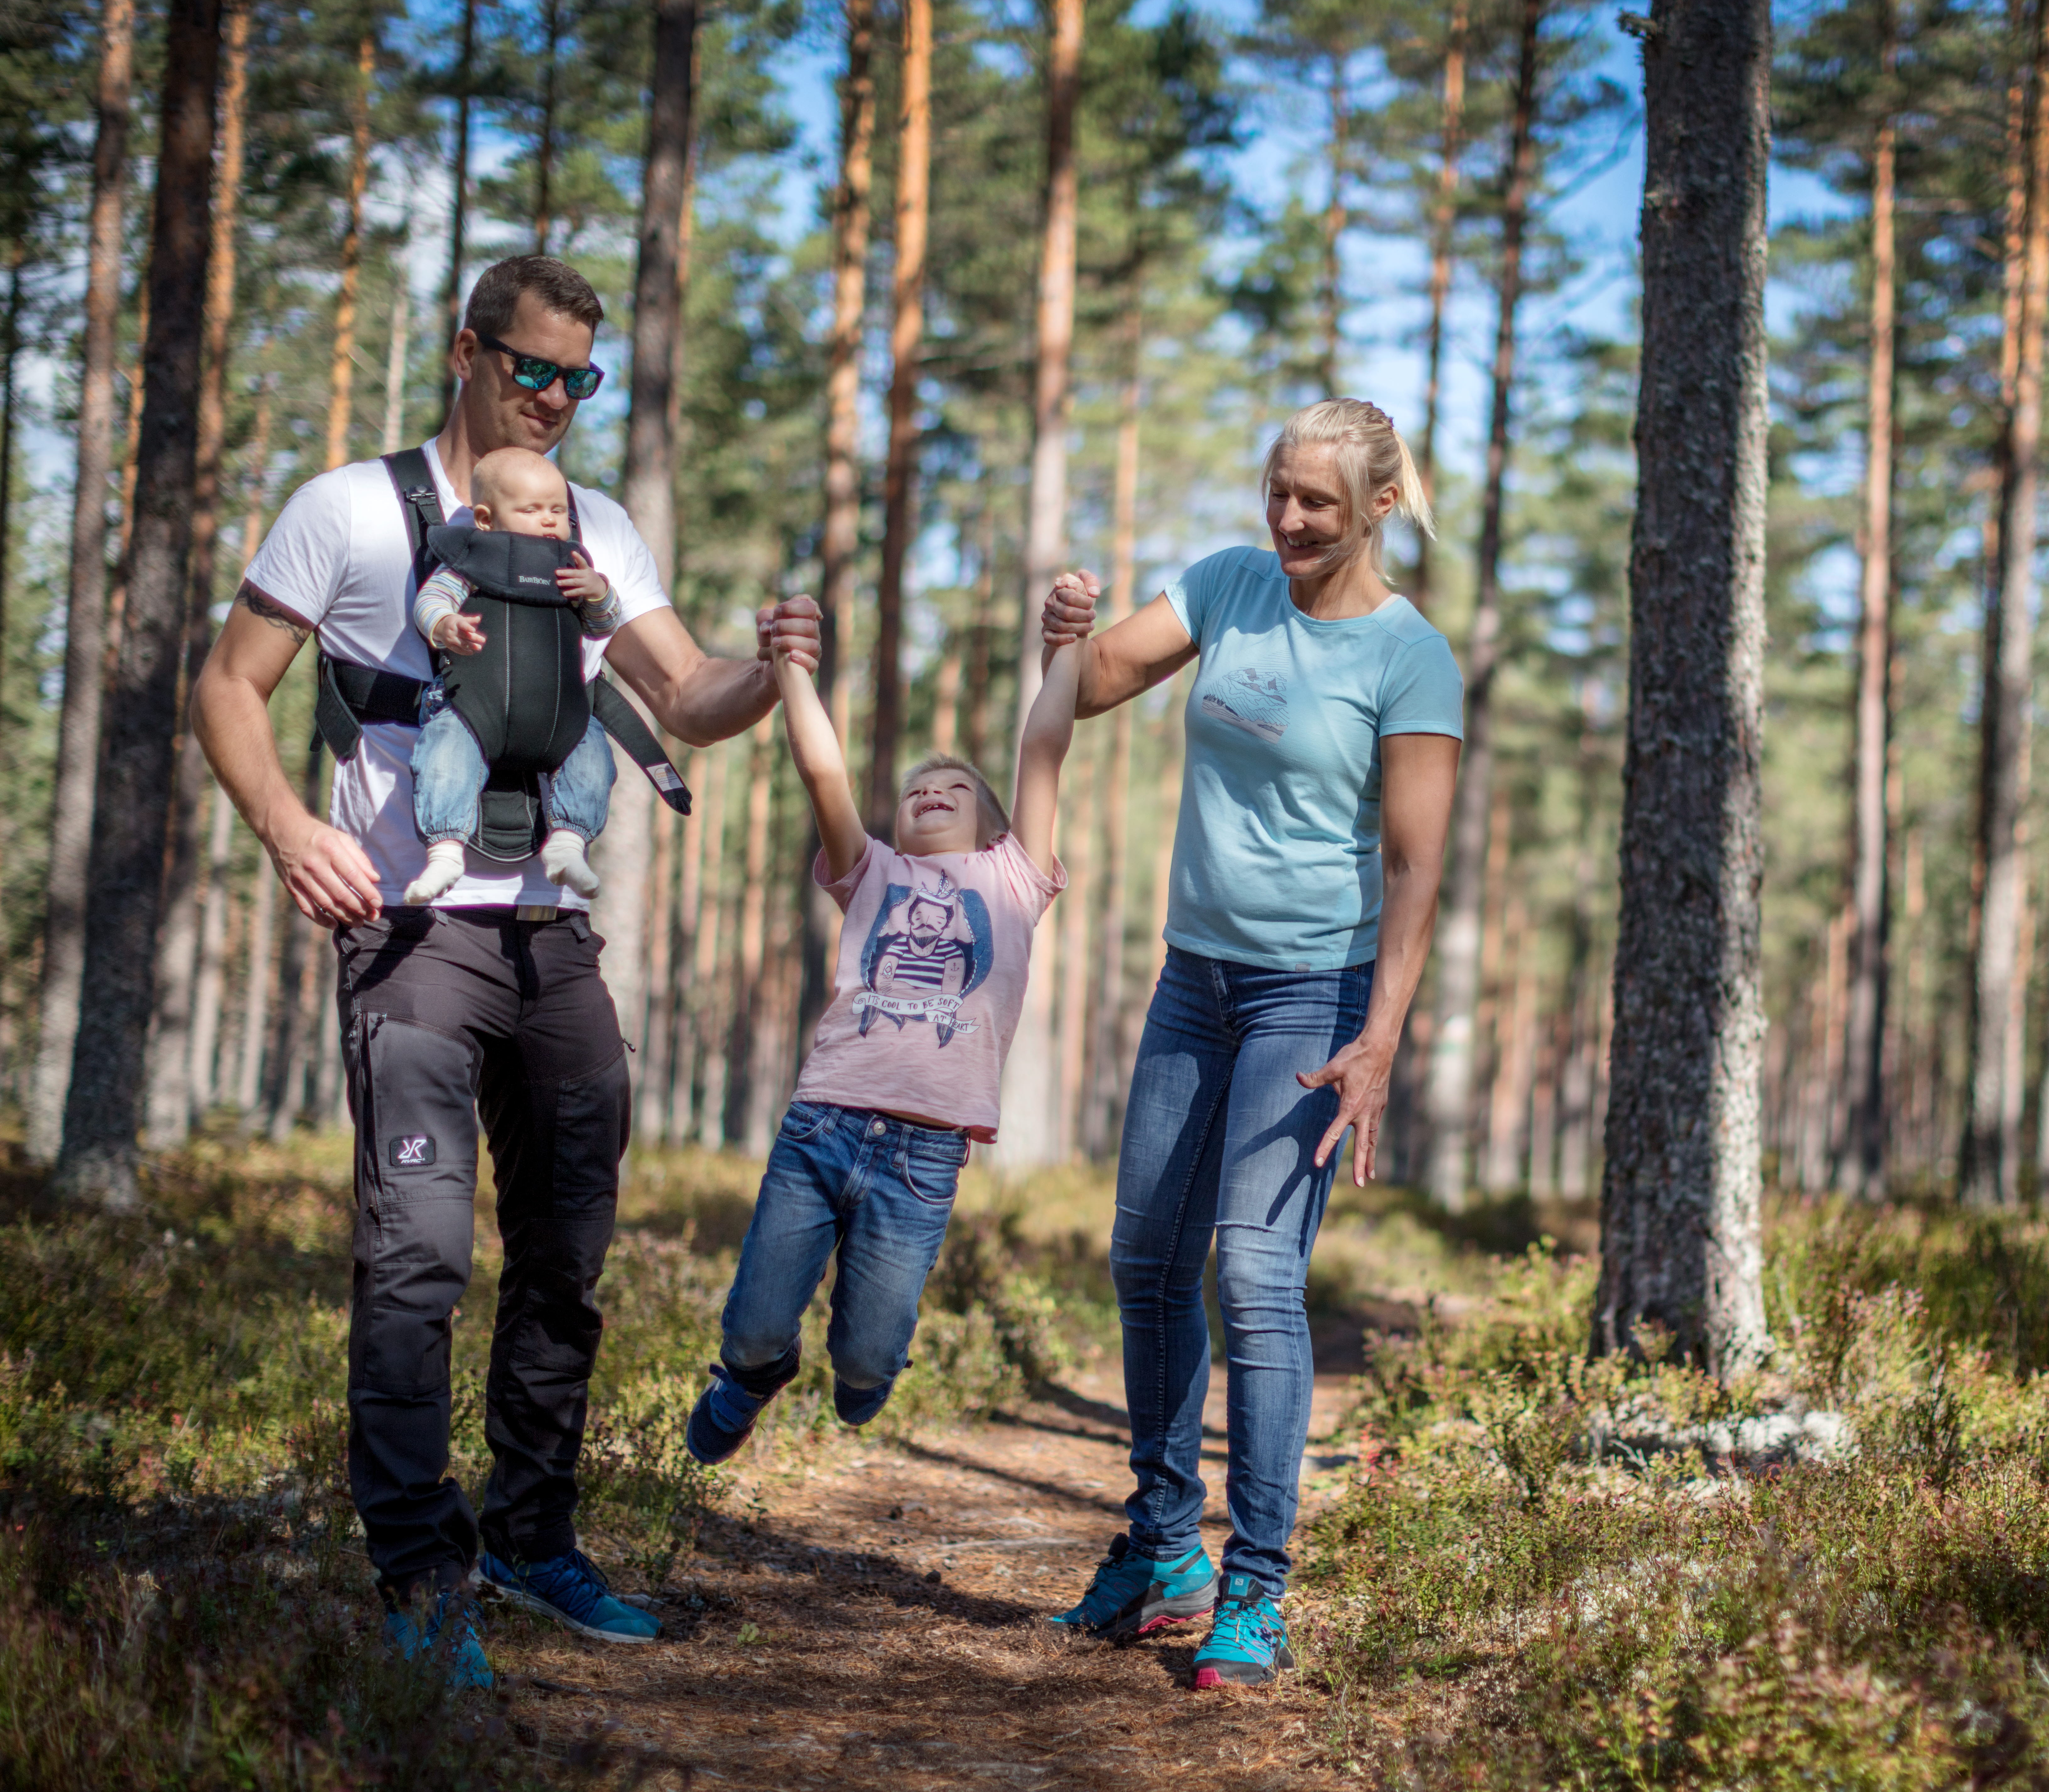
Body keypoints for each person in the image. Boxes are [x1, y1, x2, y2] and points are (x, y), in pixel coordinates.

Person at [190, 255, 822, 1689]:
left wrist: (771, 663)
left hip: (553, 938)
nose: (553, 400)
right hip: (414, 939)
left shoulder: (591, 522)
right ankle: (423, 1576)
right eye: (530, 368)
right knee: (417, 1259)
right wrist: (291, 829)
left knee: (567, 1259)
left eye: (578, 379)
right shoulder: (352, 510)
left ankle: (535, 1538)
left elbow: (682, 692)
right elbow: (231, 685)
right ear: (464, 350)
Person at [1044, 399, 1463, 1689]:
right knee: (1147, 1258)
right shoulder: (1232, 584)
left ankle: (1258, 1588)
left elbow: (1413, 861)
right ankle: (1164, 1549)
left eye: (1315, 504)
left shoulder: (1410, 657)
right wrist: (1068, 632)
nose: (1286, 520)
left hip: (1316, 995)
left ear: (1377, 508)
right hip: (1195, 976)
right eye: (1277, 492)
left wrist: (1381, 1034)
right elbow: (1102, 681)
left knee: (1257, 1274)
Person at [684, 590, 1084, 1462]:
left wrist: (1067, 650)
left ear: (995, 826)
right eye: (913, 790)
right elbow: (824, 774)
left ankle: (861, 1370)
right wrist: (792, 670)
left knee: (865, 1364)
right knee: (750, 1331)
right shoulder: (868, 872)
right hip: (820, 1125)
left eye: (952, 789)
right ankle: (753, 1376)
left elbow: (1042, 746)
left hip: (923, 1155)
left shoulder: (1015, 880)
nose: (929, 794)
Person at [406, 446, 622, 905]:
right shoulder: (472, 559)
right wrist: (445, 626)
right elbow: (431, 601)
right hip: (473, 703)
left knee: (592, 757)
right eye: (531, 510)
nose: (548, 521)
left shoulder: (572, 568)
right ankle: (444, 849)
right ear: (485, 519)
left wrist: (599, 593)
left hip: (560, 712)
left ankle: (569, 843)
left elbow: (603, 627)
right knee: (444, 753)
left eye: (558, 510)